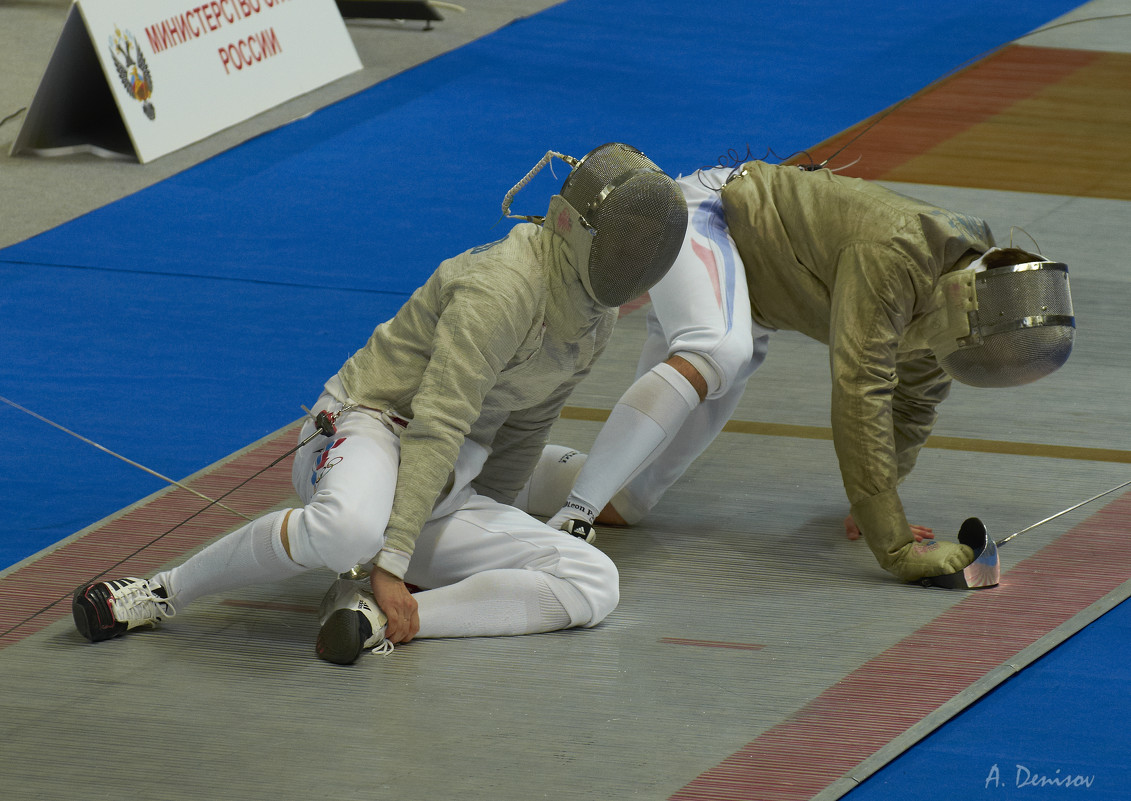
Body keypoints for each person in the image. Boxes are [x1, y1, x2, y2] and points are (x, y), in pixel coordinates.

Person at [71, 143, 689, 664]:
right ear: (571, 227)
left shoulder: (594, 316)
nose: (636, 261)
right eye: (625, 241)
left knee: (592, 578)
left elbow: (526, 424)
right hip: (368, 427)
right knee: (345, 532)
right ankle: (159, 592)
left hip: (447, 475)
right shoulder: (502, 289)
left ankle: (383, 617)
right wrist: (394, 561)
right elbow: (437, 420)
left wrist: (473, 534)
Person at [523, 158, 1074, 583]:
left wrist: (877, 500)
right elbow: (859, 390)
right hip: (707, 218)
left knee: (630, 502)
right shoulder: (896, 255)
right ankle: (574, 517)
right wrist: (895, 543)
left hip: (751, 300)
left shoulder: (948, 320)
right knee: (719, 349)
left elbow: (911, 406)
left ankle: (490, 472)